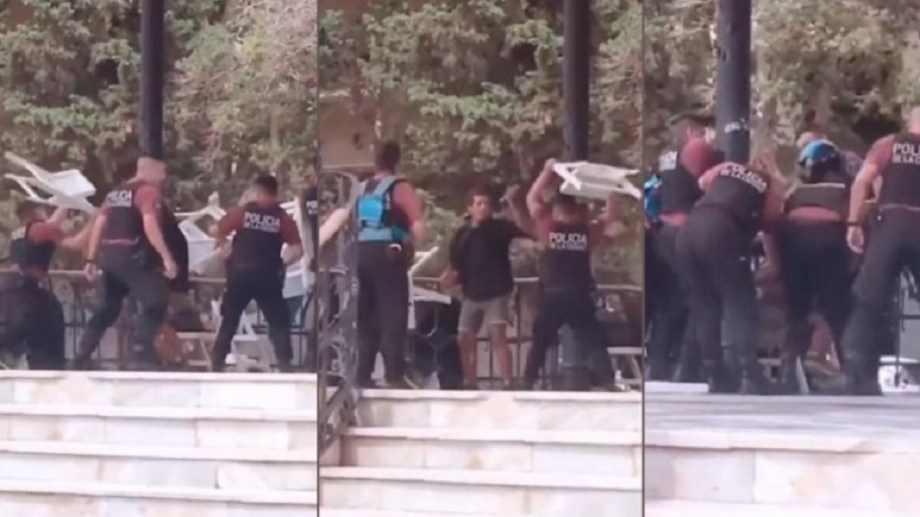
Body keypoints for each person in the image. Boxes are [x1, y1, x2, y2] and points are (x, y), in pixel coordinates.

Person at [675, 155, 784, 394]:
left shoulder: (726, 168)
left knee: (704, 304)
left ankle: (715, 373)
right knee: (739, 299)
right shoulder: (767, 183)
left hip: (689, 229)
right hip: (722, 229)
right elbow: (773, 217)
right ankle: (748, 372)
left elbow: (702, 183)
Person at [840, 107, 920, 395]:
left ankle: (858, 375)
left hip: (891, 224)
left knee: (868, 300)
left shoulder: (889, 144)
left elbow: (862, 181)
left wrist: (854, 223)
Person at [522, 158, 619, 391]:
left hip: (552, 294)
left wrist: (547, 171)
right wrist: (610, 186)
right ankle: (608, 382)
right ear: (578, 211)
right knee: (594, 341)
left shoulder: (549, 228)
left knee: (540, 342)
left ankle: (526, 382)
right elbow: (610, 215)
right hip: (578, 295)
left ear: (558, 210)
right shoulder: (587, 232)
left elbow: (532, 198)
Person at [75, 158, 176, 369]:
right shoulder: (147, 191)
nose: (163, 178)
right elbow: (149, 223)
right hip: (134, 255)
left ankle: (81, 356)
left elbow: (100, 223)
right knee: (156, 302)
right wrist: (166, 258)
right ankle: (141, 349)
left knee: (107, 310)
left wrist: (92, 258)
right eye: (162, 172)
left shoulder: (115, 194)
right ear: (150, 171)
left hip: (111, 258)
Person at [648, 115, 723, 381]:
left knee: (672, 301)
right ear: (691, 132)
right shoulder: (696, 149)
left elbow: (653, 192)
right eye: (704, 132)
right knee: (700, 298)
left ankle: (660, 363)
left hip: (665, 229)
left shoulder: (666, 157)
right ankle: (690, 366)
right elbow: (708, 182)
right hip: (685, 228)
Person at [776, 140, 853, 392]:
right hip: (830, 246)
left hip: (794, 247)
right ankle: (854, 373)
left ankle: (788, 371)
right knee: (839, 311)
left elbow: (779, 223)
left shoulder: (795, 194)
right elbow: (855, 221)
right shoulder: (845, 189)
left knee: (797, 312)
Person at [441, 185, 531, 389]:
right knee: (465, 337)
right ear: (470, 208)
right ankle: (470, 381)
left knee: (497, 335)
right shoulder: (462, 234)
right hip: (471, 293)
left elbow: (525, 230)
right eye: (478, 204)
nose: (483, 208)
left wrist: (515, 205)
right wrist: (449, 279)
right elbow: (455, 265)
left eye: (486, 204)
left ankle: (507, 381)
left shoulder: (499, 228)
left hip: (497, 291)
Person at [212, 175, 303, 372]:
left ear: (257, 192)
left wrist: (225, 246)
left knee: (230, 319)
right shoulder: (282, 218)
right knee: (278, 321)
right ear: (275, 193)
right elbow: (297, 249)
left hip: (240, 273)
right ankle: (285, 364)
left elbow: (217, 229)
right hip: (268, 275)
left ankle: (216, 362)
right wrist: (282, 264)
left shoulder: (243, 212)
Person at [355, 141, 426, 389]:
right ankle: (394, 373)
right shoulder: (400, 187)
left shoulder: (362, 189)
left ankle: (362, 374)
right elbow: (417, 225)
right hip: (388, 252)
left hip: (361, 252)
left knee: (366, 315)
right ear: (397, 160)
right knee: (392, 313)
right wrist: (410, 247)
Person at [0, 202, 82, 369]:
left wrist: (66, 202)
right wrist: (98, 220)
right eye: (43, 209)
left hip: (12, 290)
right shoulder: (40, 229)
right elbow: (75, 244)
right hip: (26, 294)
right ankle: (52, 366)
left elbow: (52, 223)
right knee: (47, 324)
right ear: (35, 212)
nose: (46, 211)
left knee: (15, 332)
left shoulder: (22, 231)